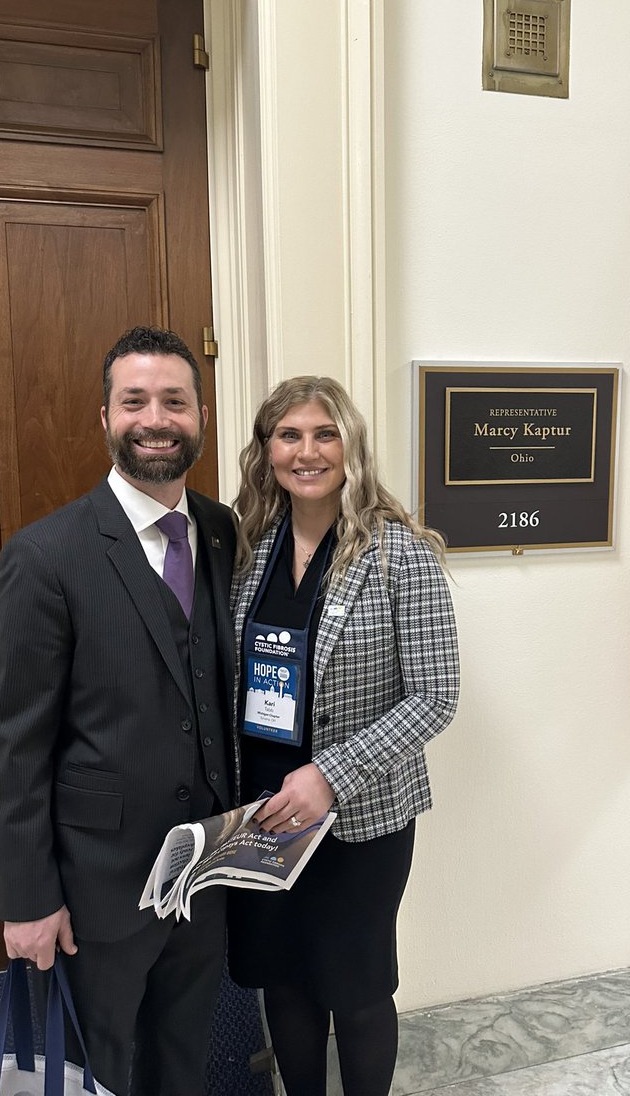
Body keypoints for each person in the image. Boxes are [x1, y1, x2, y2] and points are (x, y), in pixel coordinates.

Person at [0, 326, 237, 1096]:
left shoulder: (220, 532)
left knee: (185, 1059)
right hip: (96, 890)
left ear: (199, 416)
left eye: (175, 402)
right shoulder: (46, 554)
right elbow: (12, 743)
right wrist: (26, 899)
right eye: (135, 401)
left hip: (203, 876)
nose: (156, 418)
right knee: (102, 1071)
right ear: (104, 418)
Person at [229, 376, 459, 1096]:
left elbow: (435, 696)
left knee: (355, 988)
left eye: (323, 434)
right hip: (264, 808)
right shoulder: (245, 550)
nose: (307, 451)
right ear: (267, 451)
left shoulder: (401, 553)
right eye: (289, 435)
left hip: (359, 816)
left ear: (350, 445)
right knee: (283, 979)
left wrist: (331, 772)